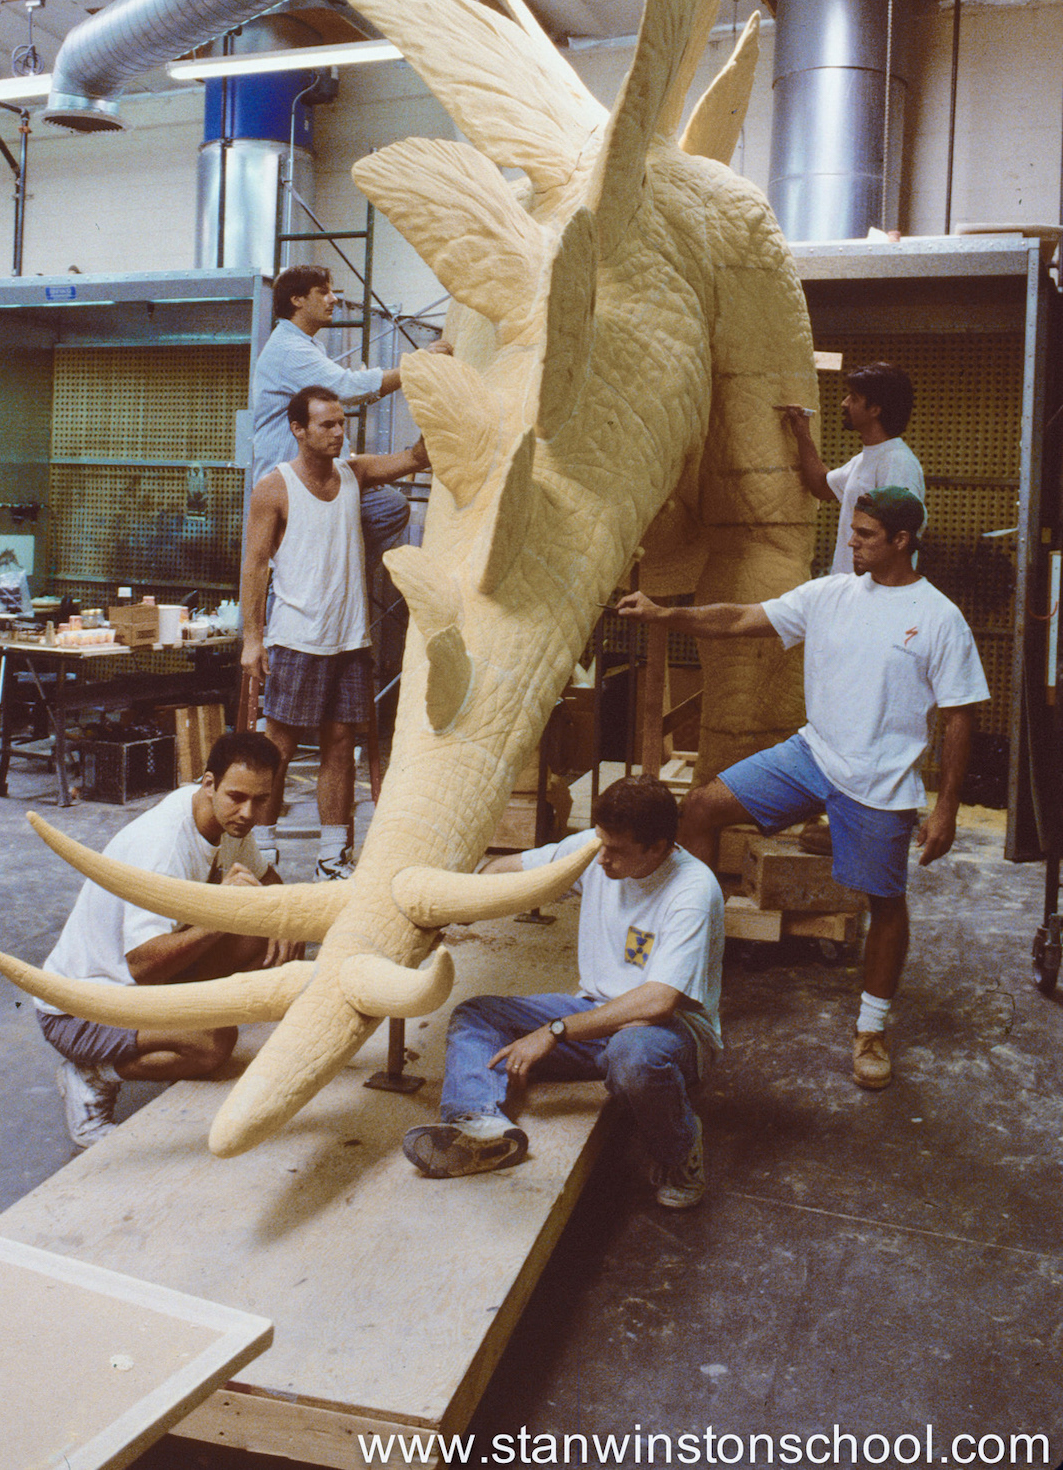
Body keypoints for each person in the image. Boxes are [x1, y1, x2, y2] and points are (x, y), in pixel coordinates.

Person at [618, 487, 989, 1094]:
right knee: (702, 809)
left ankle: (871, 1029)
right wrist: (666, 614)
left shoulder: (940, 617)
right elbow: (738, 617)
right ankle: (688, 975)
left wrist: (945, 808)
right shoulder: (831, 593)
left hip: (881, 780)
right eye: (853, 530)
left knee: (884, 900)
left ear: (902, 540)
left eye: (865, 534)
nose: (851, 541)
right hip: (811, 753)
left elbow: (959, 717)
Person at [402, 775, 724, 1210]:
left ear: (658, 847)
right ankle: (480, 1125)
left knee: (634, 1055)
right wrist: (464, 902)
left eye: (616, 851)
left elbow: (659, 1000)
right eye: (599, 843)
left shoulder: (693, 889)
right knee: (477, 1014)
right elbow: (508, 870)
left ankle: (680, 1152)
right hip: (595, 1014)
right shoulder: (596, 851)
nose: (602, 859)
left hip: (669, 1031)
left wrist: (554, 1030)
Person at [37, 731, 297, 1149]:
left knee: (265, 933)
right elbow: (142, 966)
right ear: (209, 784)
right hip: (81, 1006)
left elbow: (270, 882)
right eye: (237, 797)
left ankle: (188, 1020)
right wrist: (223, 912)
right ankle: (90, 1076)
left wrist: (283, 916)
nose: (249, 813)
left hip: (141, 984)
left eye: (260, 800)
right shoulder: (164, 844)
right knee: (213, 1044)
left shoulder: (227, 818)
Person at [241, 385, 430, 880]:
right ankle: (261, 851)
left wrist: (438, 386)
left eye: (341, 422)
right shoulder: (274, 488)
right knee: (277, 749)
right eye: (326, 424)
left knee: (341, 744)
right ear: (298, 429)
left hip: (350, 641)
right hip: (297, 639)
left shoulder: (354, 472)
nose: (338, 432)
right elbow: (255, 566)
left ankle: (332, 855)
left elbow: (415, 456)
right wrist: (252, 639)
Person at [251, 263, 451, 562]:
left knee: (387, 507)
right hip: (294, 486)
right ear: (297, 300)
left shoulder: (306, 346)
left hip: (316, 478)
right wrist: (418, 365)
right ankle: (337, 561)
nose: (332, 299)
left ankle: (338, 562)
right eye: (323, 292)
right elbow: (346, 387)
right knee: (293, 567)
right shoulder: (291, 350)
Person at [781, 360, 926, 574]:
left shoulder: (897, 462)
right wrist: (802, 434)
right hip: (850, 591)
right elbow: (821, 486)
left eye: (854, 398)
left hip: (872, 597)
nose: (844, 403)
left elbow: (900, 538)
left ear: (875, 409)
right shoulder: (864, 459)